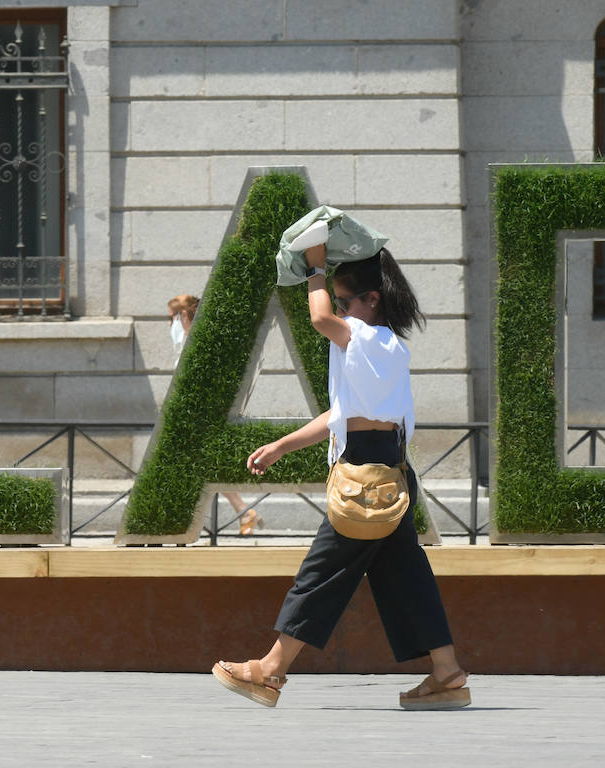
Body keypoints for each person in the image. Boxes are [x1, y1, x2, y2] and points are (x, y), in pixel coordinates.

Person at [212, 239, 469, 710]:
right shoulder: (388, 347)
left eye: (347, 299)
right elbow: (343, 415)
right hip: (390, 471)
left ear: (371, 300)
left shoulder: (368, 337)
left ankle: (270, 671)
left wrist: (314, 268)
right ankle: (448, 672)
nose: (342, 309)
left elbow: (319, 319)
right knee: (408, 576)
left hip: (364, 476)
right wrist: (281, 446)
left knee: (321, 572)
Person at [167, 293, 262, 537]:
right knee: (200, 468)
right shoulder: (190, 342)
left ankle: (186, 522)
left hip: (198, 417)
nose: (170, 324)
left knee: (199, 466)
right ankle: (241, 511)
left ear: (184, 315)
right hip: (193, 416)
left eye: (172, 318)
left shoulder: (196, 344)